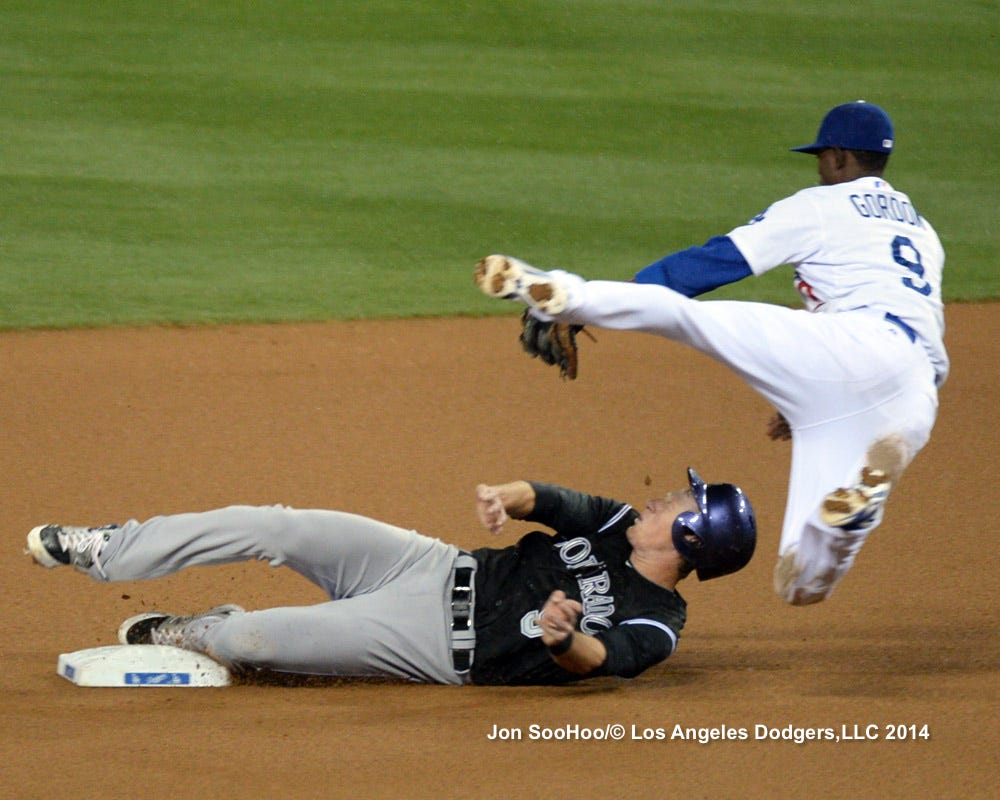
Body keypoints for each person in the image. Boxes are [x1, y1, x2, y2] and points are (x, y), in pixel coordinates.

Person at [474, 101, 946, 607]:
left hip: (850, 345)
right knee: (801, 585)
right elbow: (890, 361)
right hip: (914, 395)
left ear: (835, 157)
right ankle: (845, 524)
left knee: (688, 318)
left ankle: (571, 298)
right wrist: (807, 393)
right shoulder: (924, 232)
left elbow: (713, 263)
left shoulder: (821, 205)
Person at [24, 468, 755, 686]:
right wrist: (509, 497)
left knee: (250, 639)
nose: (661, 498)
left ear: (692, 538)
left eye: (678, 503)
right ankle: (108, 550)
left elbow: (609, 660)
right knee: (281, 523)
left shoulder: (659, 623)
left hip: (430, 645)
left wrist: (566, 641)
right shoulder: (613, 522)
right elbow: (554, 500)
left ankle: (201, 631)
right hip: (431, 565)